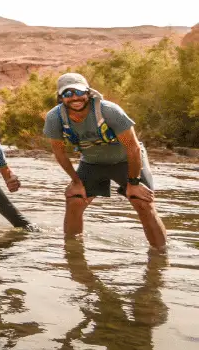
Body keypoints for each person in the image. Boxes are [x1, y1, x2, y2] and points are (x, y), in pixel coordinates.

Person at [43, 72, 167, 251]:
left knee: (142, 202)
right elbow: (59, 152)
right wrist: (76, 182)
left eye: (78, 92)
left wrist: (133, 183)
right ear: (60, 98)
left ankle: (161, 257)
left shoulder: (109, 110)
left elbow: (133, 149)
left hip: (127, 160)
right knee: (75, 199)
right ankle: (72, 252)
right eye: (67, 94)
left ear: (88, 93)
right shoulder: (54, 118)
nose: (74, 98)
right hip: (92, 163)